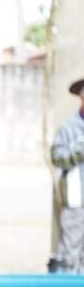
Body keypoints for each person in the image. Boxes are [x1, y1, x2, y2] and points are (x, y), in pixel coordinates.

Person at [50, 77, 84, 273]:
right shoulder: (68, 128)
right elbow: (57, 157)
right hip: (75, 203)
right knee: (70, 255)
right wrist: (79, 152)